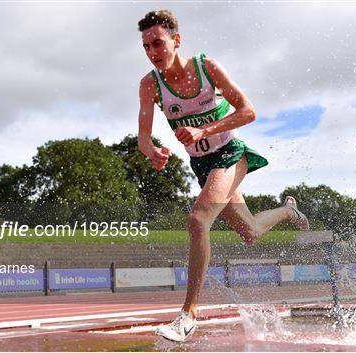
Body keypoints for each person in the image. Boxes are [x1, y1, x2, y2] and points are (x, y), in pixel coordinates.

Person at [137, 10, 309, 342]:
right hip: (203, 166)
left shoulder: (206, 68)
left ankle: (188, 314)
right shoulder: (149, 85)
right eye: (146, 47)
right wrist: (153, 152)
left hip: (230, 154)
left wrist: (204, 129)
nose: (152, 52)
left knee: (198, 220)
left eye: (157, 43)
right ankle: (289, 210)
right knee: (250, 231)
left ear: (176, 40)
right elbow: (144, 138)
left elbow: (248, 111)